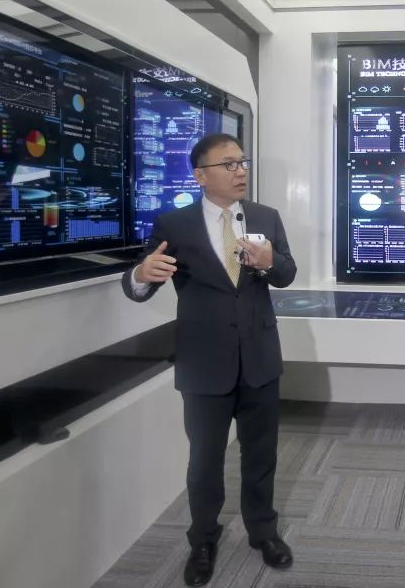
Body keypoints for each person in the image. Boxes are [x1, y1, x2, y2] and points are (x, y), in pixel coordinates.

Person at [122, 134, 296, 587]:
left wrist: (270, 260)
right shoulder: (174, 224)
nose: (241, 171)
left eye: (242, 162)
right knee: (204, 461)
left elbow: (287, 274)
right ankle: (202, 539)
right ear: (200, 175)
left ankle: (263, 531)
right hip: (204, 364)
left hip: (259, 358)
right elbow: (142, 282)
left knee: (261, 455)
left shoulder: (266, 217)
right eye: (229, 164)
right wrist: (140, 275)